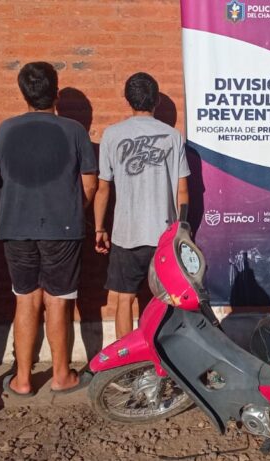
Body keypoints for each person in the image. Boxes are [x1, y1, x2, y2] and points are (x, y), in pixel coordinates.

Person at [0, 62, 98, 397]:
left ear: (23, 93)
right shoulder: (75, 131)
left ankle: (22, 379)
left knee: (25, 299)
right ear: (56, 92)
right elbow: (90, 185)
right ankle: (61, 375)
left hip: (15, 226)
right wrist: (71, 212)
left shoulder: (4, 130)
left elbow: (0, 181)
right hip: (62, 228)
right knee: (58, 301)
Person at [94, 72, 190, 339]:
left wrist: (99, 228)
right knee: (167, 298)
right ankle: (164, 350)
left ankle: (127, 355)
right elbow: (182, 190)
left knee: (124, 298)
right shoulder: (173, 136)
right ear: (156, 100)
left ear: (127, 100)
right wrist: (182, 230)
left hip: (126, 233)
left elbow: (103, 188)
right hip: (164, 234)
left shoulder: (112, 135)